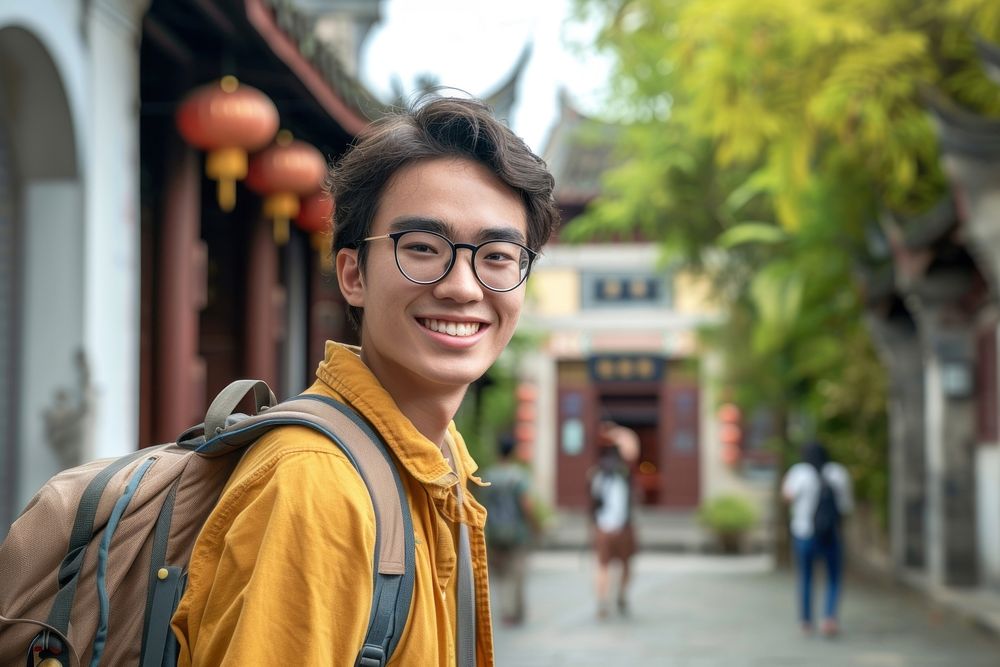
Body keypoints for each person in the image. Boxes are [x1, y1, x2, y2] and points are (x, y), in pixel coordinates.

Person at [170, 95, 559, 665]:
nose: (463, 286)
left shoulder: (437, 455)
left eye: (498, 256)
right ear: (353, 274)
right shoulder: (316, 486)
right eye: (423, 249)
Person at [781, 440, 854, 637]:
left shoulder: (799, 472)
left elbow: (787, 497)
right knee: (833, 578)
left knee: (805, 578)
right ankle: (829, 618)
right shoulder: (838, 473)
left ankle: (806, 621)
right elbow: (846, 507)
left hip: (804, 534)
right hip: (831, 534)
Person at [478, 432, 538, 626]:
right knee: (516, 572)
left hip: (494, 531)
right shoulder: (518, 476)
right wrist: (534, 524)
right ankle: (514, 611)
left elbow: (481, 504)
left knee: (500, 573)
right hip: (516, 532)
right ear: (513, 451)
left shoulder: (488, 475)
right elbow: (526, 504)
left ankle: (506, 609)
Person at [587, 420, 639, 619]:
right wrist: (618, 431)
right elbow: (632, 444)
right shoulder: (625, 472)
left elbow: (592, 504)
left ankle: (602, 602)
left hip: (603, 526)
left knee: (602, 566)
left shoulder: (596, 474)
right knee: (625, 564)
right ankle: (621, 596)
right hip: (622, 527)